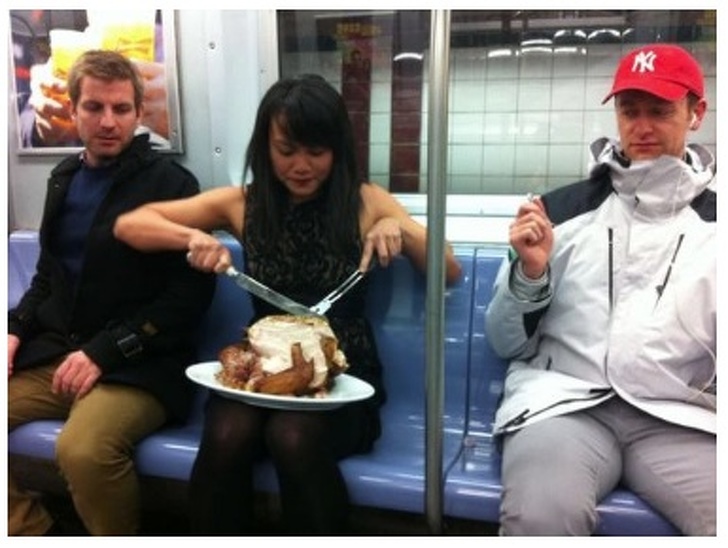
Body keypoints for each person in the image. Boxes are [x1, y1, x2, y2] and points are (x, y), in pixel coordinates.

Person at [113, 74, 463, 534]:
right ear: (266, 146)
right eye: (286, 150)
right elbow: (130, 224)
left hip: (342, 377)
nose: (301, 166)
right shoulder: (242, 204)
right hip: (262, 371)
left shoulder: (366, 201)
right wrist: (193, 238)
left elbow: (448, 268)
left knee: (292, 435)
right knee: (227, 432)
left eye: (316, 151)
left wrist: (399, 229)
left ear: (337, 149)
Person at [485, 43, 715, 535]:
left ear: (696, 113)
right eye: (630, 111)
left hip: (679, 418)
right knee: (542, 516)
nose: (642, 126)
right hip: (565, 406)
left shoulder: (717, 229)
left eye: (660, 111)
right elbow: (505, 342)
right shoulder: (557, 214)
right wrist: (530, 275)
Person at [7, 50, 216, 536]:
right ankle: (33, 530)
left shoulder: (172, 184)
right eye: (94, 107)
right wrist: (14, 331)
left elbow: (187, 299)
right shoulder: (63, 179)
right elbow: (48, 276)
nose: (108, 121)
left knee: (83, 450)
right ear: (73, 110)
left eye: (121, 109)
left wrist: (105, 351)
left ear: (139, 113)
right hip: (61, 353)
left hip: (142, 365)